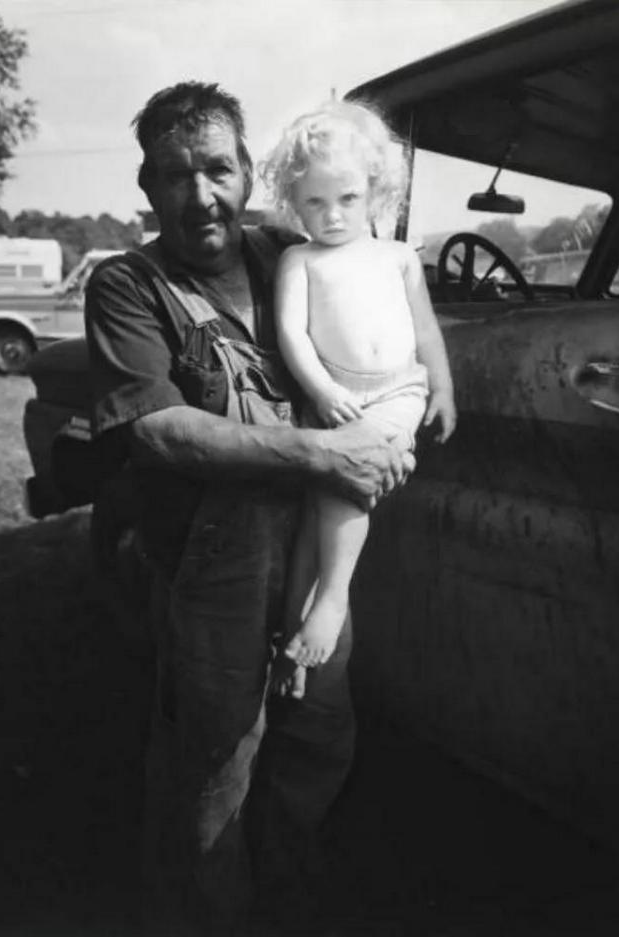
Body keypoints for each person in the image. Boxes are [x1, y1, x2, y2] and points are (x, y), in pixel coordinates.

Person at [83, 82, 414, 936]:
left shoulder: (288, 252)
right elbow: (160, 433)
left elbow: (384, 310)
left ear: (246, 172)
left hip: (309, 549)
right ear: (148, 187)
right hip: (210, 562)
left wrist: (404, 407)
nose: (201, 195)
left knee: (317, 738)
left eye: (219, 169)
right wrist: (322, 452)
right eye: (176, 176)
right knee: (216, 764)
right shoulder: (128, 285)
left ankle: (293, 901)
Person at [261, 101, 456, 682]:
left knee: (342, 485)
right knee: (316, 508)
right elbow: (292, 333)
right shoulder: (299, 259)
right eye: (314, 203)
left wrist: (443, 388)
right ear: (295, 204)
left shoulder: (397, 258)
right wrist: (320, 391)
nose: (333, 216)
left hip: (398, 392)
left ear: (376, 194)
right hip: (334, 394)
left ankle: (333, 599)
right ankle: (291, 636)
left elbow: (425, 331)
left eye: (347, 199)